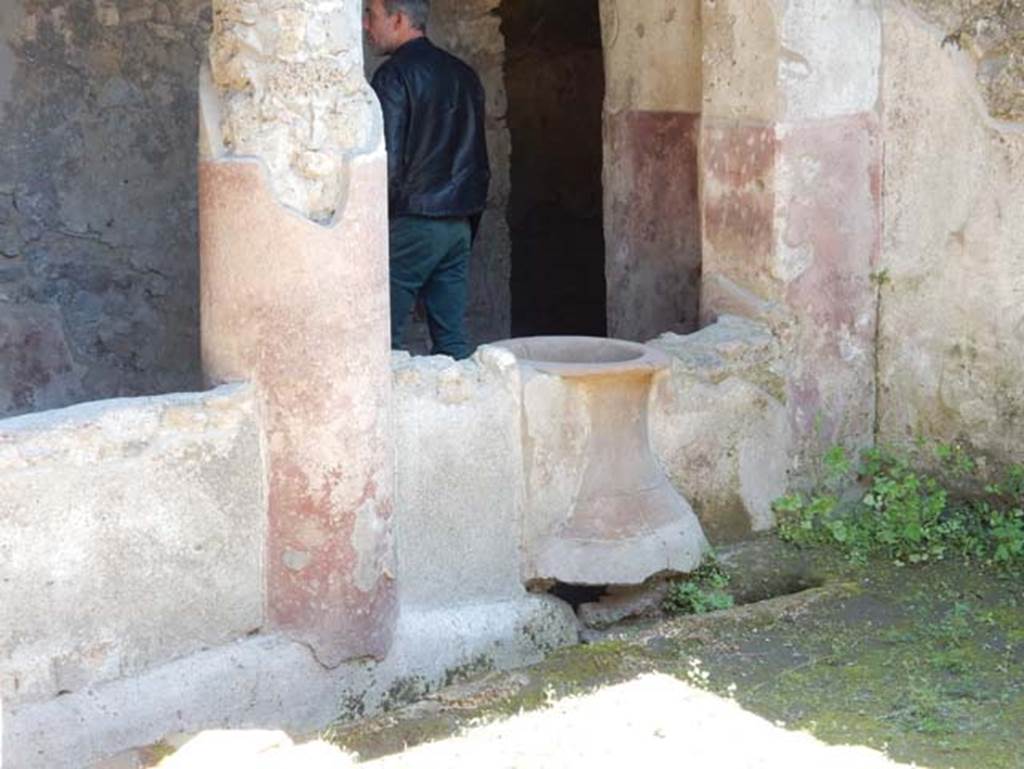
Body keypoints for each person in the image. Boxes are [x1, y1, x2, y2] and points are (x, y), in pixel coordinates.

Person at [364, 0, 491, 360]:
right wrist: (468, 222)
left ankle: (380, 418)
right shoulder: (464, 75)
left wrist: (377, 234)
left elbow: (384, 162)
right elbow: (479, 161)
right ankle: (462, 413)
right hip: (458, 224)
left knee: (377, 342)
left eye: (372, 16)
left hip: (414, 222)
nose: (365, 26)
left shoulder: (393, 76)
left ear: (399, 18)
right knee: (452, 343)